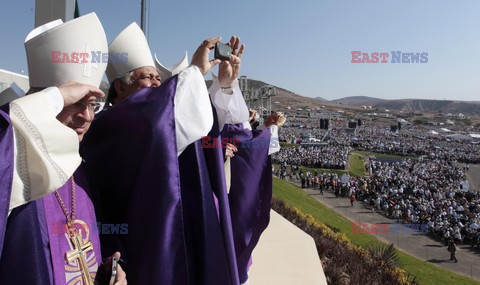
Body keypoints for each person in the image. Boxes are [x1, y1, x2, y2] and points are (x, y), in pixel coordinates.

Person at [81, 22, 243, 284]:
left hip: (179, 237)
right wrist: (198, 71)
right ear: (120, 88)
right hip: (136, 246)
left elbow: (205, 130)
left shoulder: (158, 120)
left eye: (158, 77)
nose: (158, 83)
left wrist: (223, 86)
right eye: (147, 76)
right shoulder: (109, 125)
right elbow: (157, 121)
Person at [0, 13, 126, 284]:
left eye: (92, 105)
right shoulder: (16, 167)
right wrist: (53, 96)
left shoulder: (84, 172)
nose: (87, 116)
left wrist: (110, 270)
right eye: (75, 101)